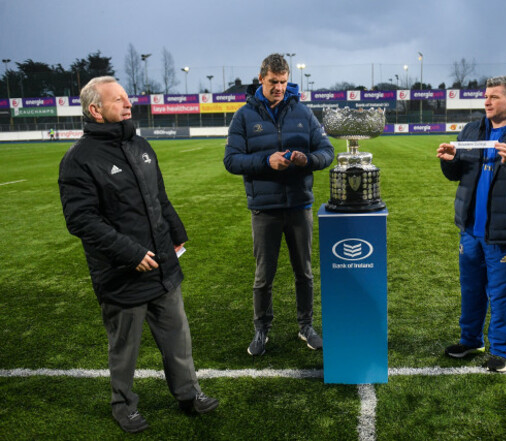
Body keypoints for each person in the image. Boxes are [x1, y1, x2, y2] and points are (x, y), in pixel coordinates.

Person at [58, 76, 219, 433]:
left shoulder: (141, 145)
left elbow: (159, 198)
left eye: (127, 98)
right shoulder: (78, 160)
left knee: (178, 336)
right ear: (95, 110)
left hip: (162, 266)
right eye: (118, 100)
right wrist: (130, 253)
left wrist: (177, 235)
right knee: (125, 349)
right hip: (122, 273)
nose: (128, 104)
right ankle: (123, 405)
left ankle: (188, 393)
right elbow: (81, 220)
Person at [437, 76, 506, 373]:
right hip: (471, 232)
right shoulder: (473, 129)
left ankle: (500, 350)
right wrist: (449, 160)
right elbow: (457, 174)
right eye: (486, 96)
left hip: (505, 233)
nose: (486, 101)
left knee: (503, 294)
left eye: (494, 97)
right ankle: (471, 340)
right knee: (471, 290)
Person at [224, 53, 334, 356]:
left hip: (299, 206)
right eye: (274, 82)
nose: (279, 88)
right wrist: (265, 161)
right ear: (262, 79)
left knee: (305, 272)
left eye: (284, 82)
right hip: (264, 210)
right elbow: (231, 160)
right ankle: (261, 330)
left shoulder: (302, 112)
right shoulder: (244, 116)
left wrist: (306, 159)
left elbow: (327, 151)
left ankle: (306, 326)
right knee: (264, 275)